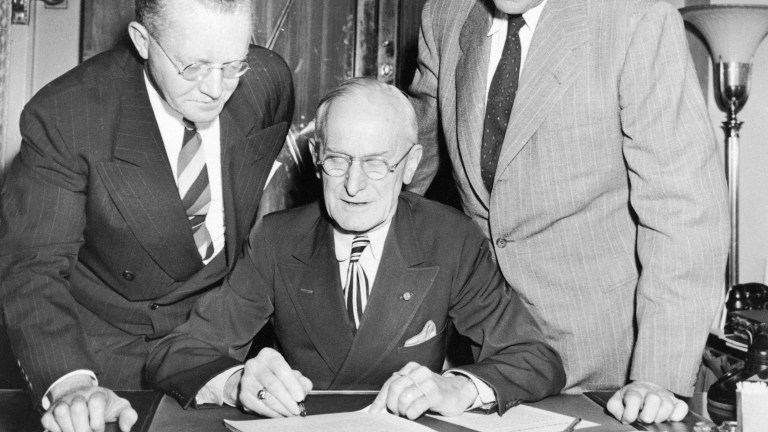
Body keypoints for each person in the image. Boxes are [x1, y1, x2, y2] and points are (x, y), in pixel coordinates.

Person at [145, 77, 565, 419]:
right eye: (338, 159)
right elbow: (176, 354)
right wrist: (237, 383)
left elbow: (536, 359)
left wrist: (458, 386)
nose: (353, 185)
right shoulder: (276, 239)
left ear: (412, 164)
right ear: (316, 155)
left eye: (377, 163)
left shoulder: (451, 239)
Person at [407, 0, 730, 425]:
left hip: (606, 372)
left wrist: (657, 376)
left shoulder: (635, 18)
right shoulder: (446, 14)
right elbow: (409, 155)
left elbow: (684, 210)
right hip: (479, 359)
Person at [0, 0, 293, 430]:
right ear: (142, 41)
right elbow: (32, 267)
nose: (217, 88)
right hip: (105, 353)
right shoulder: (69, 114)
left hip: (215, 339)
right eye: (193, 66)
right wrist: (71, 385)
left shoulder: (268, 82)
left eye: (233, 65)